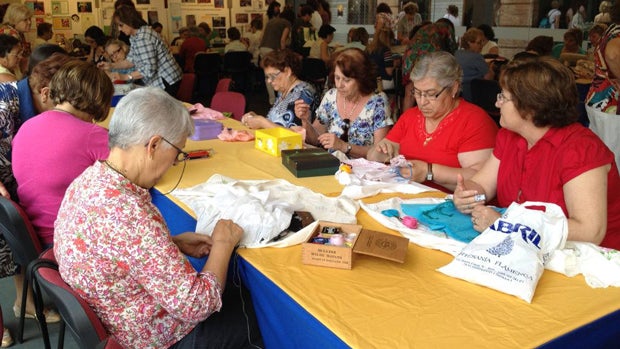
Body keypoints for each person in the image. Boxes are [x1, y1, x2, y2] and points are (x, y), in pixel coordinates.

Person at [54, 87, 263, 348]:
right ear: (153, 145)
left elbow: (113, 248)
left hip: (116, 316)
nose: (174, 163)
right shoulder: (129, 213)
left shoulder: (88, 181)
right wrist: (223, 244)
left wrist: (171, 242)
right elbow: (196, 305)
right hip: (150, 337)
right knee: (259, 318)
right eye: (177, 153)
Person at [453, 57, 620, 251]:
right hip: (527, 252)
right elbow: (482, 184)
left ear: (530, 107)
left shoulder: (581, 149)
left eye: (503, 97)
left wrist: (509, 227)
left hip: (586, 261)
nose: (497, 104)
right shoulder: (510, 136)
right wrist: (467, 195)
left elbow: (589, 231)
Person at [0, 52, 71, 346]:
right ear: (45, 93)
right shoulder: (4, 102)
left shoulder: (29, 107)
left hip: (9, 182)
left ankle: (25, 303)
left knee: (15, 239)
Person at [12, 59, 112, 248]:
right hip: (70, 241)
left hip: (35, 238)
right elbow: (136, 172)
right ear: (99, 99)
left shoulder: (25, 128)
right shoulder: (92, 135)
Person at [367, 51, 498, 192]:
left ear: (453, 88)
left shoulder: (474, 121)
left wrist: (429, 172)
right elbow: (374, 155)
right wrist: (380, 151)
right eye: (417, 92)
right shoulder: (410, 116)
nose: (422, 102)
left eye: (431, 94)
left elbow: (481, 179)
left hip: (452, 205)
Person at [295, 48, 393, 158]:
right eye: (337, 78)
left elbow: (379, 153)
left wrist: (343, 146)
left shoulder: (378, 102)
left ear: (361, 79)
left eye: (347, 80)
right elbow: (316, 140)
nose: (339, 85)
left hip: (362, 172)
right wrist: (305, 121)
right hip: (332, 167)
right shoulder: (331, 96)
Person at [100, 5, 182, 96]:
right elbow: (130, 61)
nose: (119, 29)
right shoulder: (135, 36)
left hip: (166, 79)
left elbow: (149, 70)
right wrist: (111, 65)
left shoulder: (143, 38)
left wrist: (125, 77)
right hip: (163, 78)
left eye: (121, 25)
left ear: (129, 21)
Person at [241, 49, 317, 129]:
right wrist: (255, 118)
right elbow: (275, 122)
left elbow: (294, 134)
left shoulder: (304, 92)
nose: (269, 81)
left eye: (273, 76)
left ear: (288, 72)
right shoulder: (283, 91)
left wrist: (262, 122)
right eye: (267, 77)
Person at [586, 3, 620, 170]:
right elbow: (613, 55)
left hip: (602, 100)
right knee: (613, 157)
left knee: (600, 154)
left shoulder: (611, 30)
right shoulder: (617, 33)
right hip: (611, 104)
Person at [401, 20, 457, 110]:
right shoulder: (447, 28)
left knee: (410, 92)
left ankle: (405, 121)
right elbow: (452, 48)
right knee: (430, 90)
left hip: (410, 57)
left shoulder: (426, 28)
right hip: (427, 58)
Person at [454, 27, 494, 102]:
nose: (481, 45)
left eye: (482, 42)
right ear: (469, 42)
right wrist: (491, 68)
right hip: (471, 94)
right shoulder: (477, 57)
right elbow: (488, 77)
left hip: (457, 92)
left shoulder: (457, 53)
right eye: (479, 43)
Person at [259, 8, 291, 104]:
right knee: (278, 74)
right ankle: (281, 99)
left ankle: (272, 100)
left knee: (268, 76)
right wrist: (284, 53)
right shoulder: (287, 24)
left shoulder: (271, 21)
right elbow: (282, 40)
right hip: (272, 49)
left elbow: (261, 36)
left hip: (263, 48)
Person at [0, 3, 32, 78]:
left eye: (29, 19)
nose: (29, 22)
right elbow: (13, 63)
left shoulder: (17, 32)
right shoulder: (11, 34)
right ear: (14, 20)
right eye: (25, 20)